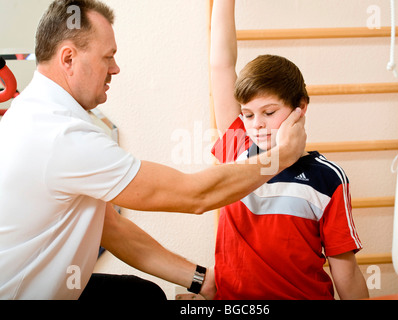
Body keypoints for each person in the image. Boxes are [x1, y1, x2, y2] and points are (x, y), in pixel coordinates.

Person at [0, 0, 307, 300]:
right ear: (68, 59)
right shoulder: (61, 134)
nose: (116, 68)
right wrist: (282, 155)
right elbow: (194, 195)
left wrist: (202, 281)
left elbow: (112, 227)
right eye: (108, 57)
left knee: (140, 294)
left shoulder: (36, 111)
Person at [209, 0, 369, 300]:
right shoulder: (237, 149)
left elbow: (346, 274)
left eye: (269, 112)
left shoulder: (328, 179)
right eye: (248, 114)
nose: (257, 124)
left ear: (300, 108)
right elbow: (221, 64)